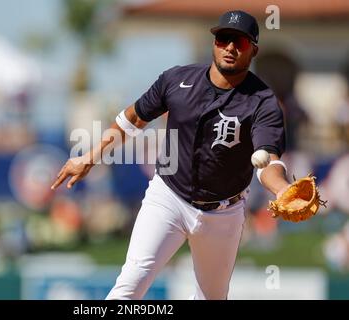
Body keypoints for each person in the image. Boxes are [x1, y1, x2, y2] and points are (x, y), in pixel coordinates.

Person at [51, 10, 290, 300]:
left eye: (239, 42)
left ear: (254, 49)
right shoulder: (177, 80)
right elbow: (133, 119)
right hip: (169, 197)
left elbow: (268, 160)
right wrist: (90, 156)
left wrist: (283, 189)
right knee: (130, 285)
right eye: (224, 38)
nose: (230, 47)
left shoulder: (263, 102)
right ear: (214, 42)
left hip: (223, 213)